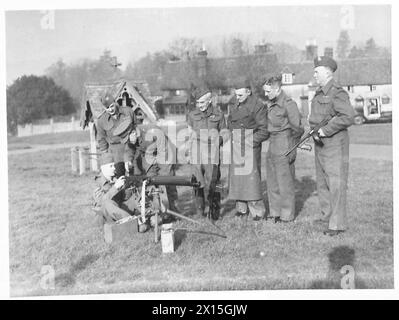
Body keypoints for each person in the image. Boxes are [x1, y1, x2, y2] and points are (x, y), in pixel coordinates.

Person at [310, 56, 355, 236]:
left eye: (316, 71)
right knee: (322, 183)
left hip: (335, 143)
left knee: (335, 183)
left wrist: (325, 131)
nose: (314, 74)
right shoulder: (318, 93)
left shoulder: (338, 92)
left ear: (327, 72)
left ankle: (336, 225)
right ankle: (326, 217)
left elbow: (348, 117)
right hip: (320, 143)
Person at [263, 75, 304, 223]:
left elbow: (298, 129)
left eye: (268, 91)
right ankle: (275, 212)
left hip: (284, 141)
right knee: (272, 180)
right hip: (272, 142)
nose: (266, 94)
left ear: (277, 89)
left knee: (285, 182)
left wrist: (292, 147)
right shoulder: (271, 104)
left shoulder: (288, 104)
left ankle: (287, 215)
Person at [227, 79, 269, 220]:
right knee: (237, 178)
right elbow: (230, 122)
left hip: (250, 147)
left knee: (252, 181)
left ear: (249, 92)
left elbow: (264, 130)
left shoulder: (258, 106)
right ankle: (241, 210)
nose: (237, 98)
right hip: (236, 145)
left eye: (240, 95)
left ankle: (257, 212)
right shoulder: (233, 103)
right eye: (236, 95)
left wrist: (249, 141)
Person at [186, 88, 227, 219]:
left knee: (214, 181)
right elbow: (189, 134)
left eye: (202, 102)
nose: (200, 105)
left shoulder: (219, 115)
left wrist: (219, 140)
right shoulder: (192, 115)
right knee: (197, 182)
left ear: (210, 101)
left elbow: (225, 133)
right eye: (198, 102)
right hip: (196, 152)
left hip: (212, 152)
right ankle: (200, 210)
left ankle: (215, 210)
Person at [96, 91, 138, 166]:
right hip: (115, 152)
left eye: (112, 106)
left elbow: (136, 126)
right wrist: (106, 158)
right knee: (119, 175)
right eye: (107, 108)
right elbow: (101, 139)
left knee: (135, 174)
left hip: (131, 148)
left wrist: (134, 134)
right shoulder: (101, 121)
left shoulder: (128, 112)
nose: (110, 110)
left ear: (115, 103)